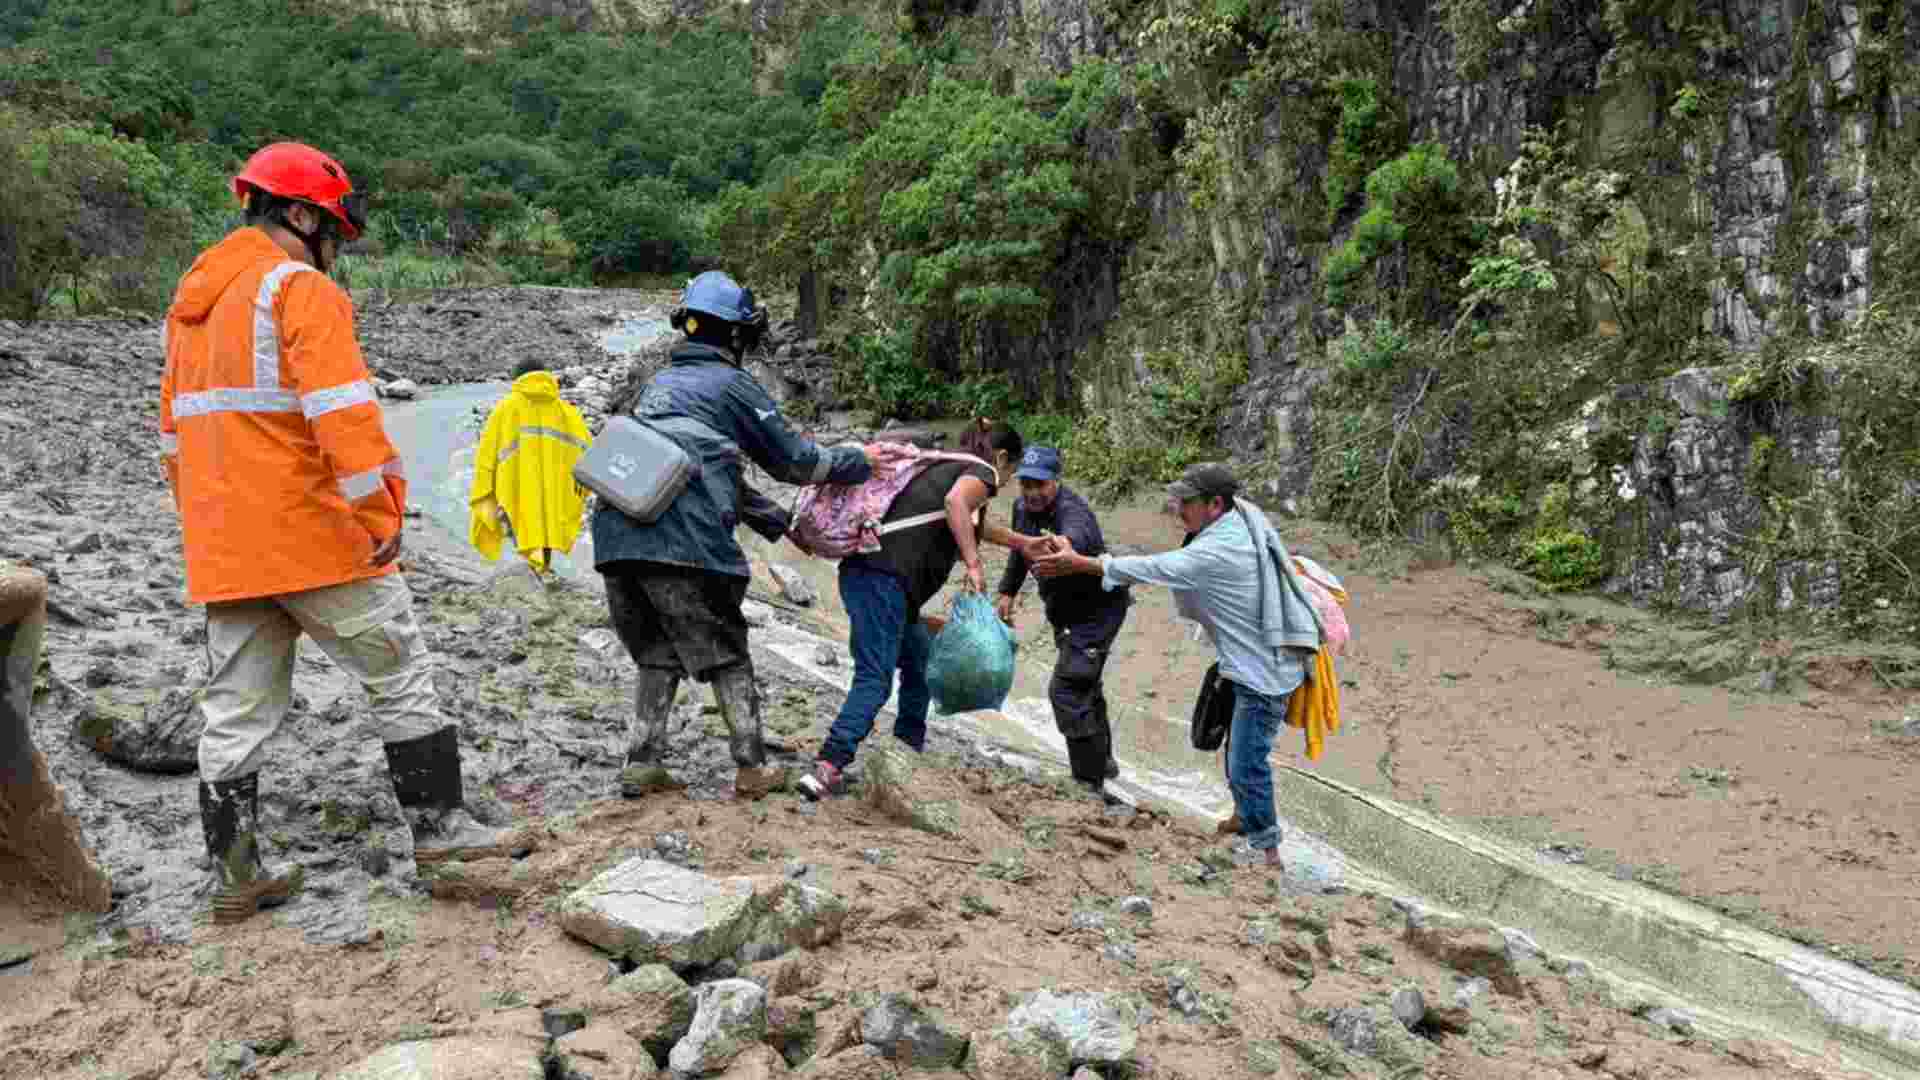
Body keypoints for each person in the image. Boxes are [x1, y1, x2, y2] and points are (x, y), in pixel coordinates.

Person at [158, 142, 531, 924]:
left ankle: (236, 874)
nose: (336, 246)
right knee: (398, 671)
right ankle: (440, 834)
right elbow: (345, 420)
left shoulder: (190, 309)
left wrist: (210, 528)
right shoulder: (299, 290)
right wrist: (381, 515)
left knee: (235, 710)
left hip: (227, 546)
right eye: (333, 228)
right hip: (313, 535)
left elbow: (173, 439)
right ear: (301, 216)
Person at [593, 270, 873, 800]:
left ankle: (642, 763)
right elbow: (797, 461)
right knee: (727, 649)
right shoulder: (733, 385)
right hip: (684, 544)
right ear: (738, 334)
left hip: (615, 537)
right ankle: (751, 766)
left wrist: (782, 524)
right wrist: (861, 462)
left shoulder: (657, 386)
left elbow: (705, 473)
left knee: (657, 651)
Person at [1032, 462, 1321, 867]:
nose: (1178, 508)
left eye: (1187, 501)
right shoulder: (1239, 515)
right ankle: (1244, 818)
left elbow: (1159, 568)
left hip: (1263, 675)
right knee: (1236, 748)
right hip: (1244, 662)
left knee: (1246, 764)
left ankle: (1267, 852)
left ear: (1215, 505)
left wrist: (1084, 563)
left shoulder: (1219, 549)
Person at [798, 424, 1034, 800]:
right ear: (1003, 458)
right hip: (882, 583)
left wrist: (1021, 542)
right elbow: (956, 504)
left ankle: (905, 757)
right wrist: (974, 565)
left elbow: (969, 519)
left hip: (877, 581)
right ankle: (828, 766)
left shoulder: (943, 465)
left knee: (920, 661)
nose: (1005, 483)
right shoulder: (983, 471)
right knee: (875, 678)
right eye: (1011, 473)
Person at [994, 446, 1129, 799]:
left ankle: (1088, 783)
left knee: (1067, 690)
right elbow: (1020, 551)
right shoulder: (1021, 508)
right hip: (1064, 612)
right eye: (1026, 484)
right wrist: (1007, 591)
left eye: (1040, 485)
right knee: (1085, 684)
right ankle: (1103, 761)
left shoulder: (1074, 512)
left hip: (1098, 612)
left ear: (1056, 481)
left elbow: (1075, 536)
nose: (1032, 493)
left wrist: (1064, 545)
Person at [469, 357, 591, 574]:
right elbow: (587, 453)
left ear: (518, 378)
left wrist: (485, 488)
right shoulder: (566, 411)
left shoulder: (506, 408)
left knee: (524, 528)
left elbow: (486, 456)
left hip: (516, 486)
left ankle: (535, 573)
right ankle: (544, 568)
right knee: (547, 528)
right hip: (555, 488)